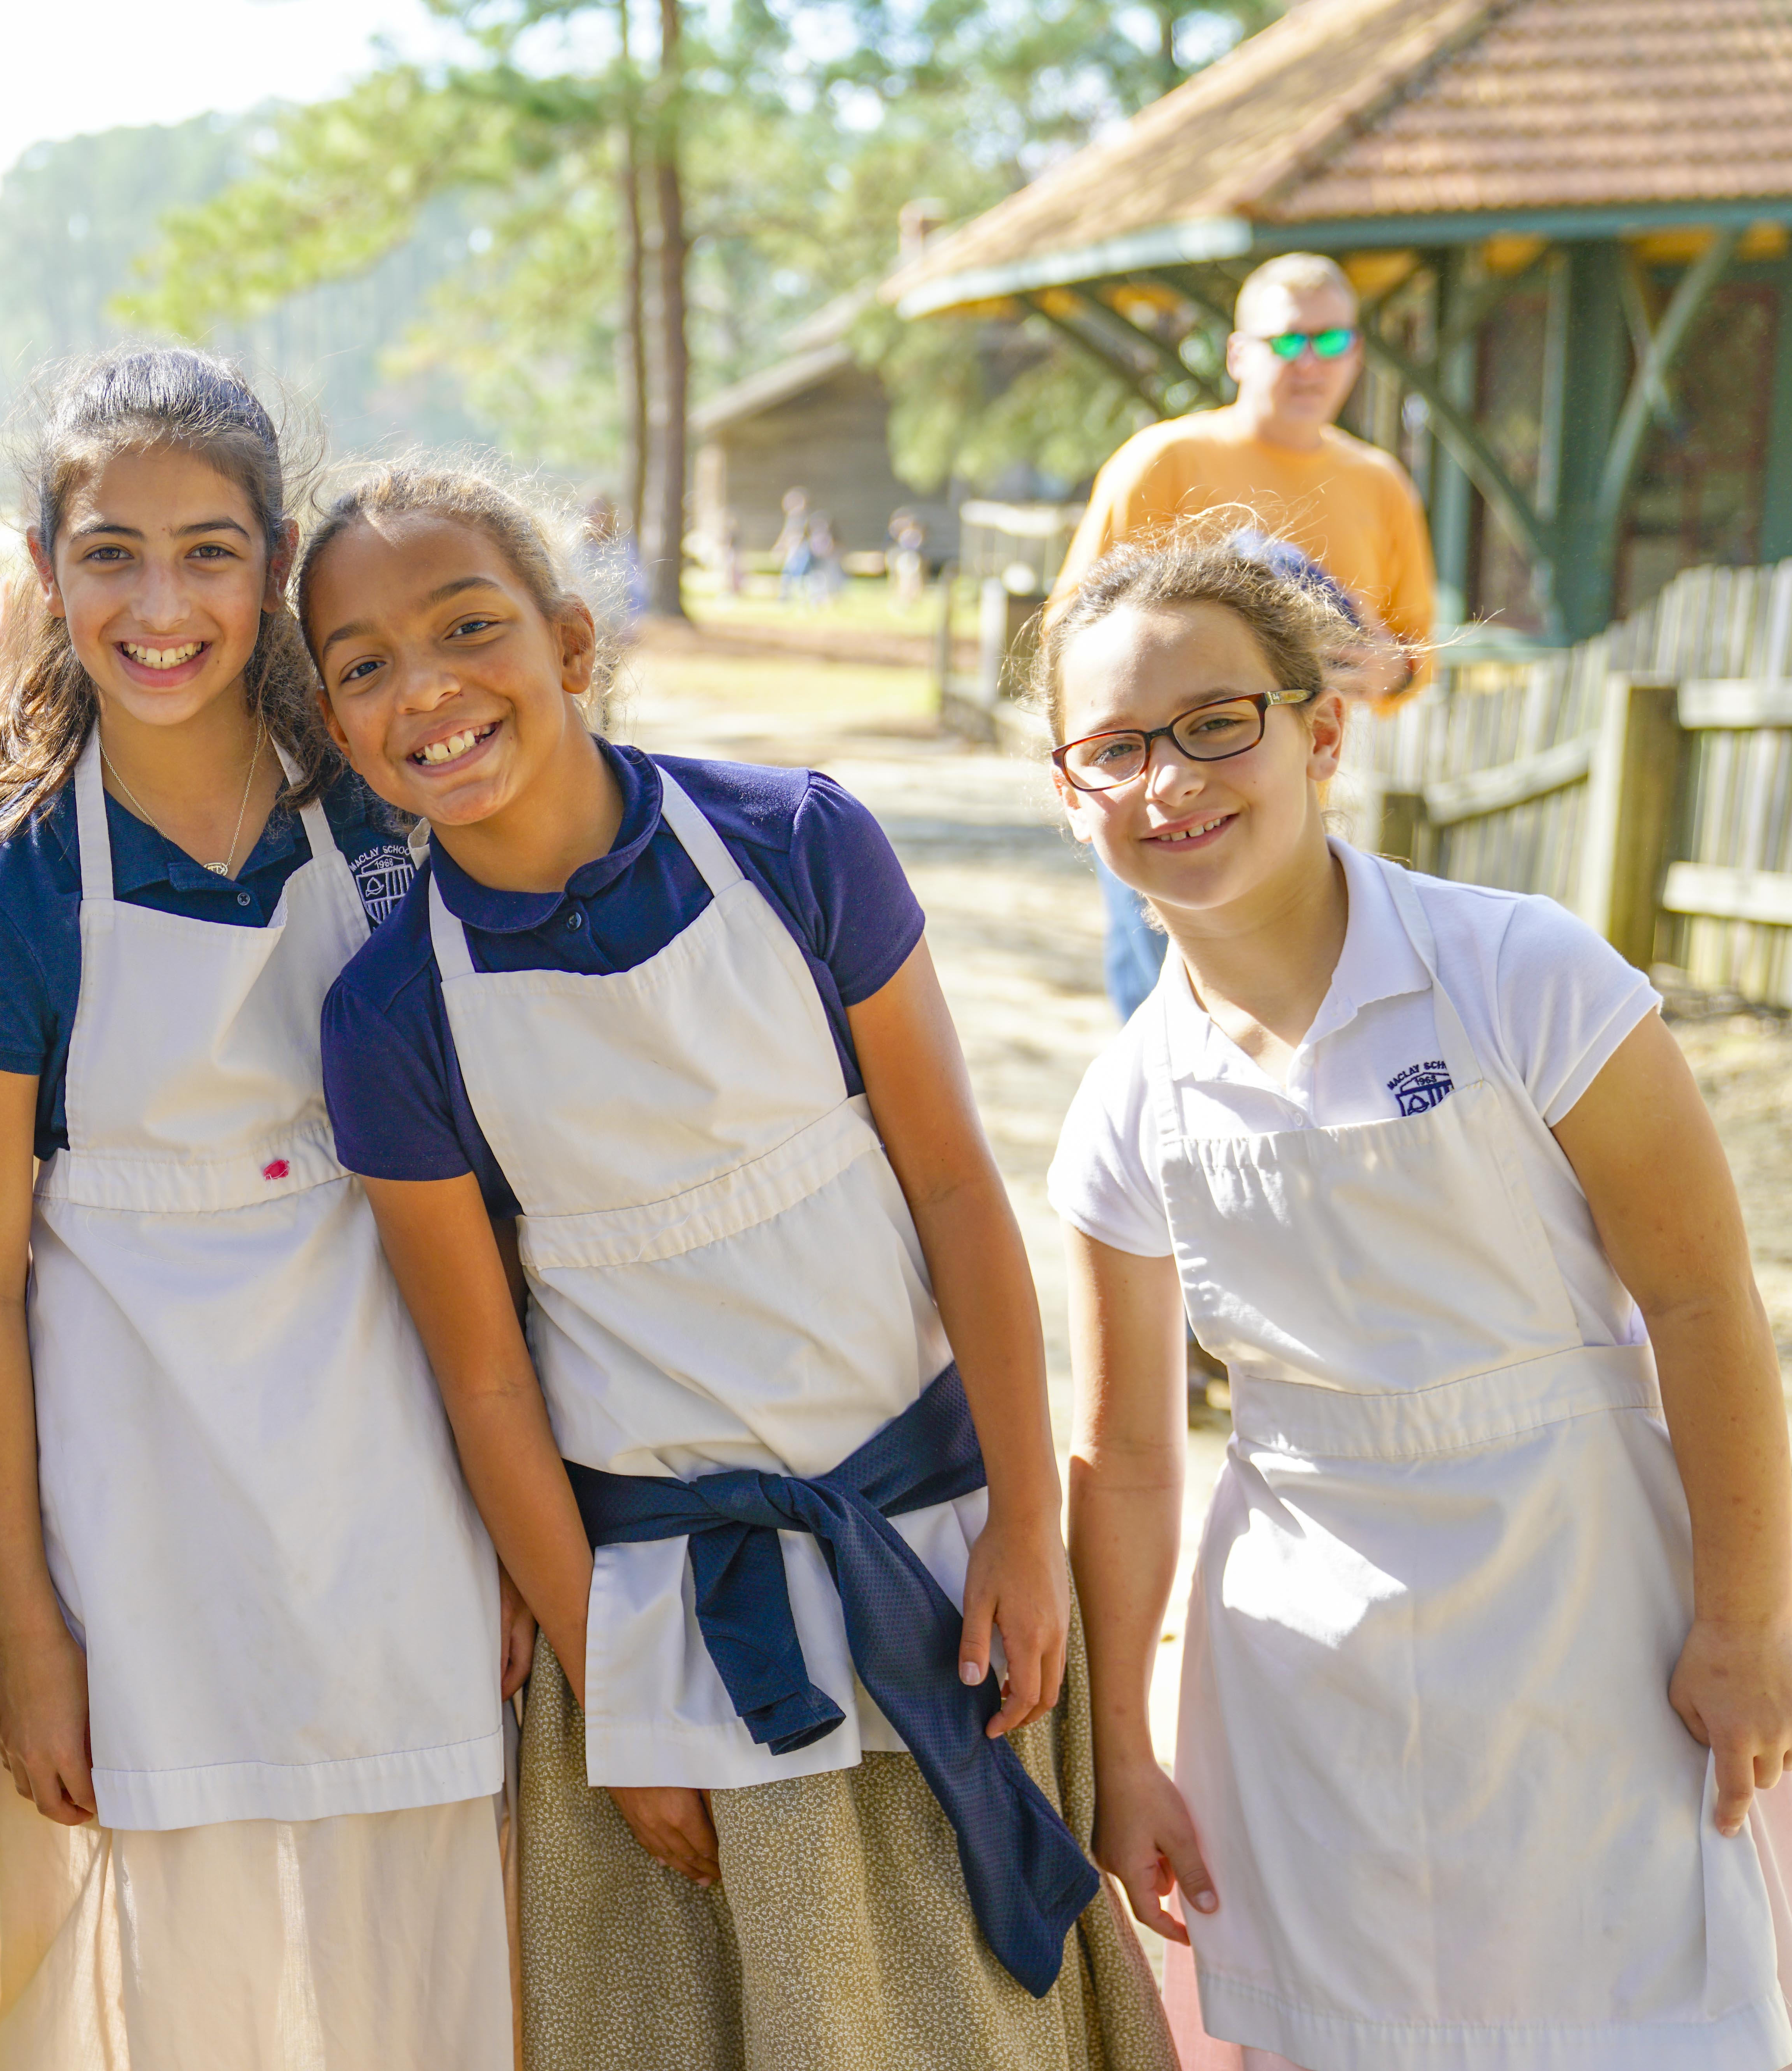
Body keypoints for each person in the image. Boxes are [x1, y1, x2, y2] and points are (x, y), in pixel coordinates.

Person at [301, 462, 1176, 2071]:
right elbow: (487, 1380)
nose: (421, 686)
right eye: (360, 666)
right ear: (337, 724)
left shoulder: (798, 845)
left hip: (936, 1574)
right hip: (675, 1634)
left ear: (570, 643)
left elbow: (958, 1194)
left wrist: (1026, 1539)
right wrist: (608, 1695)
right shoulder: (385, 1016)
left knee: (980, 2029)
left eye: (465, 626)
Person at [1044, 535, 1792, 2071]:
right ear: (1071, 793)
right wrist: (1117, 1745)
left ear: (1319, 733)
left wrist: (1742, 1619)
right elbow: (1123, 1461)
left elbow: (1707, 1304)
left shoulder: (1522, 975)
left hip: (1583, 1610)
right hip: (1294, 1674)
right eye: (1114, 747)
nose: (1167, 779)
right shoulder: (1123, 1107)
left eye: (1213, 722)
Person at [0, 353, 511, 2071]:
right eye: (110, 554)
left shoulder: (390, 821)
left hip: (398, 1469)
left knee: (431, 1948)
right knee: (182, 1987)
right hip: (137, 1512)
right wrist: (26, 1632)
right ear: (45, 563)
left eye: (207, 555)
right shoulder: (9, 880)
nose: (158, 605)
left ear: (272, 566)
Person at [1054, 253, 1438, 1023]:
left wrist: (1381, 672)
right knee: (1166, 1017)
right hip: (1157, 789)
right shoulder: (1163, 461)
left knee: (1282, 1018)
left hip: (1285, 801)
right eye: (1286, 342)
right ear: (1237, 353)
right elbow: (1073, 630)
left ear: (1356, 355)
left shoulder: (1380, 483)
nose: (1309, 364)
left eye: (1330, 343)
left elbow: (1410, 653)